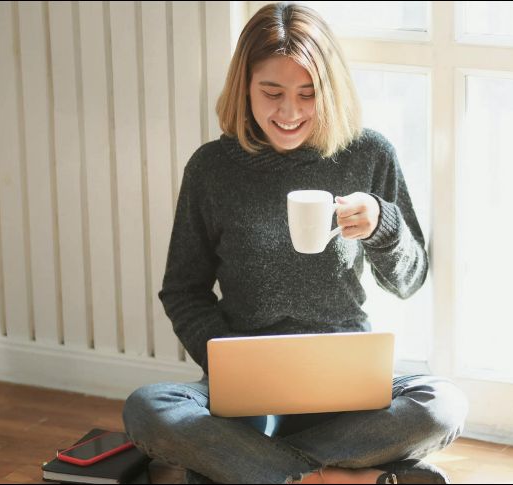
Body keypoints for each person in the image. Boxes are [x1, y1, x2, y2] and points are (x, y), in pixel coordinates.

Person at [122, 3, 468, 484]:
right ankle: (346, 477)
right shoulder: (212, 168)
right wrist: (231, 364)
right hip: (248, 389)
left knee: (443, 404)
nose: (290, 112)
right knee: (148, 408)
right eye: (272, 92)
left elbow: (410, 280)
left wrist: (382, 226)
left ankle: (256, 468)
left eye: (308, 94)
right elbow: (183, 290)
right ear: (245, 87)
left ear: (330, 90)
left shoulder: (369, 154)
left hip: (347, 382)